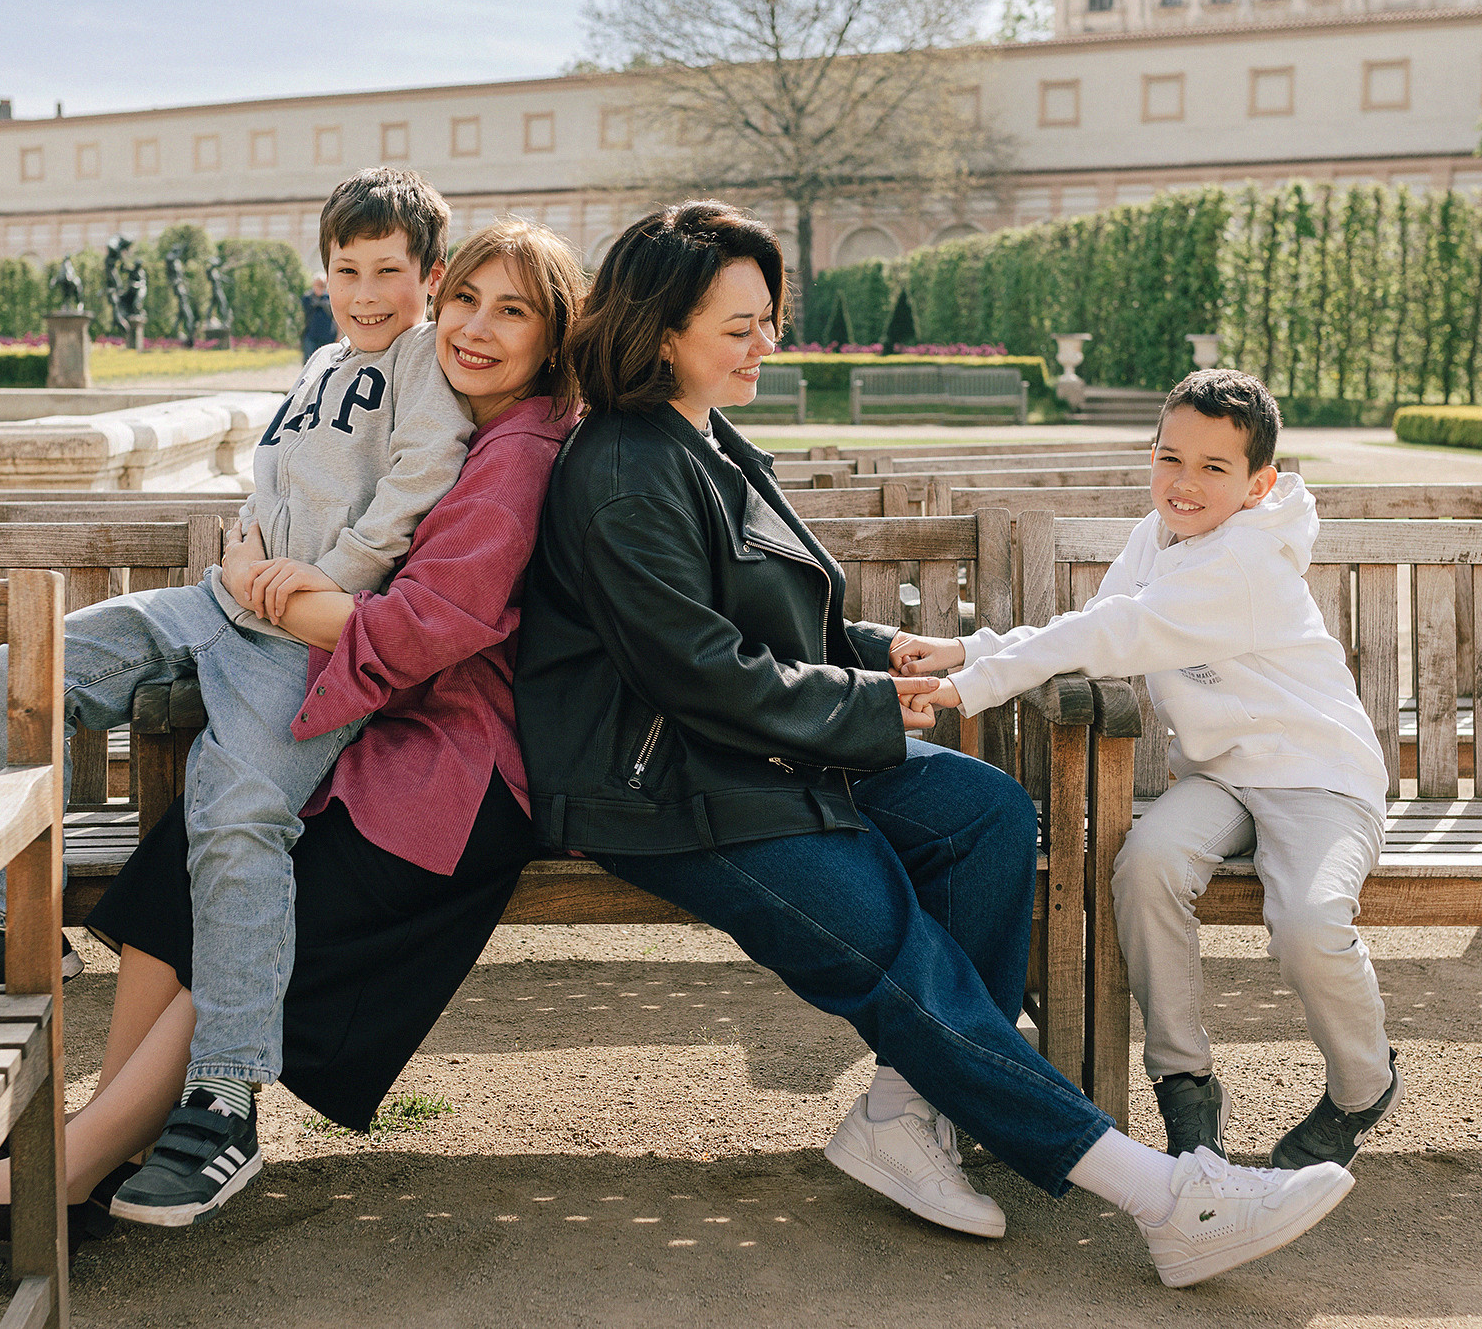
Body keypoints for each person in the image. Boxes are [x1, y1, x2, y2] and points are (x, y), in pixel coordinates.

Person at [511, 201, 1356, 1289]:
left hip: (750, 744)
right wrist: (877, 705)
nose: (764, 343)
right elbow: (696, 670)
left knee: (987, 812)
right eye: (739, 326)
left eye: (766, 319)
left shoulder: (701, 435)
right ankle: (1166, 1198)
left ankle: (903, 1112)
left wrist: (883, 649)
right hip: (662, 785)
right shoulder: (622, 466)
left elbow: (767, 624)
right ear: (661, 326)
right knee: (885, 937)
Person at [0, 219, 587, 1244]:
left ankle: (82, 1155)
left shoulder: (519, 451)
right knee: (186, 854)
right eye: (465, 300)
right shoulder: (445, 411)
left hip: (452, 768)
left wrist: (263, 587)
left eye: (510, 309)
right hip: (384, 720)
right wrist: (258, 566)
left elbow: (424, 629)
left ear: (553, 329)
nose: (471, 327)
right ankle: (108, 1151)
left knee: (243, 850)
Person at [897, 369, 1396, 1171]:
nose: (1184, 483)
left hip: (1317, 775)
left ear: (1259, 484)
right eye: (1170, 458)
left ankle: (1364, 1086)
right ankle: (1184, 1080)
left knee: (1309, 921)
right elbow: (1092, 625)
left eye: (1213, 468)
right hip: (1221, 775)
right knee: (1146, 869)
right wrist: (970, 650)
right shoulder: (1157, 536)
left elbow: (1118, 636)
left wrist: (966, 687)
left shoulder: (1246, 565)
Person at [301, 273, 336, 360]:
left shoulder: (329, 298)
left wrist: (339, 335)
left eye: (322, 285)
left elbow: (335, 317)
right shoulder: (307, 298)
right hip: (311, 335)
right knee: (309, 361)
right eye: (318, 284)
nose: (320, 287)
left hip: (328, 336)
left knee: (326, 361)